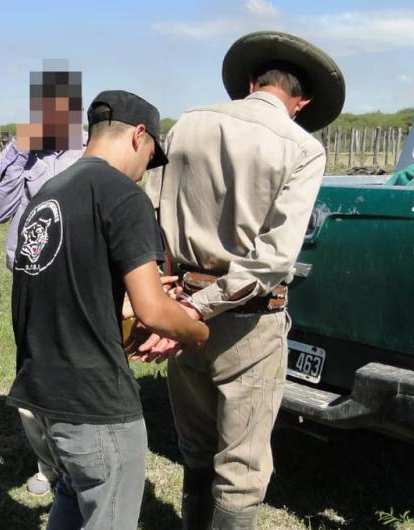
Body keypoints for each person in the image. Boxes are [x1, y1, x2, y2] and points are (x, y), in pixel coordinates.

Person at [143, 31, 346, 529]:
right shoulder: (301, 147)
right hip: (246, 322)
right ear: (302, 101)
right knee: (243, 466)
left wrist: (171, 300)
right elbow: (273, 258)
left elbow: (147, 210)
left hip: (176, 306)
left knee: (196, 447)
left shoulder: (188, 123)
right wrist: (201, 306)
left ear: (252, 82)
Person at [6, 90, 209, 529]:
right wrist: (195, 332)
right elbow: (153, 311)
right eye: (151, 157)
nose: (144, 172)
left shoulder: (48, 193)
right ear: (139, 136)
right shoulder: (122, 195)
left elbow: (58, 289)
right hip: (96, 403)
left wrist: (115, 299)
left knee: (73, 495)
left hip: (44, 391)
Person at [0, 69, 84, 496]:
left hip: (73, 277)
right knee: (32, 370)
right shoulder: (23, 154)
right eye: (42, 111)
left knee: (75, 370)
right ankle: (49, 465)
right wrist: (19, 148)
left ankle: (78, 461)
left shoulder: (90, 153)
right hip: (28, 278)